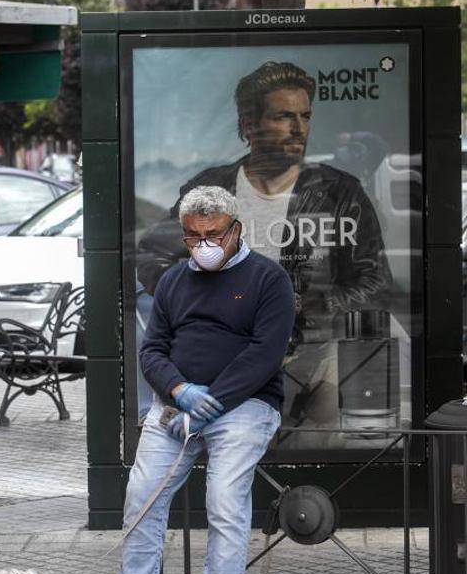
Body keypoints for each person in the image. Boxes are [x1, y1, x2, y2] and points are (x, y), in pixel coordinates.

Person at [86, 186, 295, 574]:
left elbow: (264, 355)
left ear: (236, 229)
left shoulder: (268, 279)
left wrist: (214, 401)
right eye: (194, 235)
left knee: (223, 504)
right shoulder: (175, 281)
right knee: (141, 499)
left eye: (214, 234)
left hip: (244, 407)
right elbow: (152, 351)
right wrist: (180, 393)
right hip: (177, 406)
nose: (204, 243)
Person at [136, 61, 393, 442]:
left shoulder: (340, 192)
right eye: (284, 116)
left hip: (311, 358)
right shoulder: (211, 187)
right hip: (223, 362)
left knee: (312, 450)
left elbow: (376, 281)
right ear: (249, 125)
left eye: (305, 116)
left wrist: (310, 303)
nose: (299, 128)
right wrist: (203, 298)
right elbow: (151, 257)